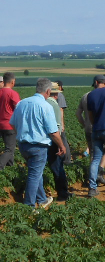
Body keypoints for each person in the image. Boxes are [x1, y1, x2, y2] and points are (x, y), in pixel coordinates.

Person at [9, 78, 66, 208]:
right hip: (38, 147)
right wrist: (62, 145)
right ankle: (29, 205)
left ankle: (42, 199)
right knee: (34, 176)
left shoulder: (22, 103)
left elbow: (12, 123)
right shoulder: (45, 106)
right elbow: (53, 132)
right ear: (48, 91)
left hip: (23, 146)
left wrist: (21, 133)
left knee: (36, 172)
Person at [76, 89, 105, 185]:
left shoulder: (85, 96)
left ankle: (92, 180)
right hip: (102, 128)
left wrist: (85, 124)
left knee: (93, 154)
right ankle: (99, 173)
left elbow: (78, 114)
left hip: (89, 129)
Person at [46, 83, 73, 201]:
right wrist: (61, 144)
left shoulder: (42, 103)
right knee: (58, 166)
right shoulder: (53, 105)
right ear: (55, 94)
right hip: (53, 140)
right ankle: (62, 193)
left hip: (41, 141)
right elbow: (56, 128)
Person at [0, 72, 20, 170]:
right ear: (12, 82)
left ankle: (10, 167)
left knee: (9, 147)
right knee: (9, 149)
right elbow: (19, 109)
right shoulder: (12, 93)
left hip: (0, 125)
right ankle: (0, 165)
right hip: (9, 125)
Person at [55, 80, 72, 165]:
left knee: (63, 140)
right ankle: (65, 159)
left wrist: (62, 125)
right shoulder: (59, 95)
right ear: (60, 87)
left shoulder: (59, 95)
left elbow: (60, 110)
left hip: (57, 123)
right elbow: (61, 110)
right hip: (56, 123)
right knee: (62, 140)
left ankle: (67, 160)